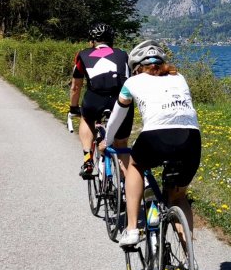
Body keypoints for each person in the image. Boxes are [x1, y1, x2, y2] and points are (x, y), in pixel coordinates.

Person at [104, 40, 202, 248]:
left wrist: (107, 140)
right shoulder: (180, 78)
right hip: (191, 139)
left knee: (135, 166)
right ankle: (188, 259)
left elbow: (116, 118)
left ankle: (131, 229)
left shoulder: (132, 82)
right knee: (178, 197)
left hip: (155, 137)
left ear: (137, 67)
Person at [69, 23, 133, 178]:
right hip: (121, 100)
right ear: (111, 41)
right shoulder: (123, 54)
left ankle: (87, 160)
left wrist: (73, 107)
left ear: (92, 41)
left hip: (95, 99)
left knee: (86, 118)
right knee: (121, 144)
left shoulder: (83, 55)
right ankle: (126, 191)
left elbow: (76, 87)